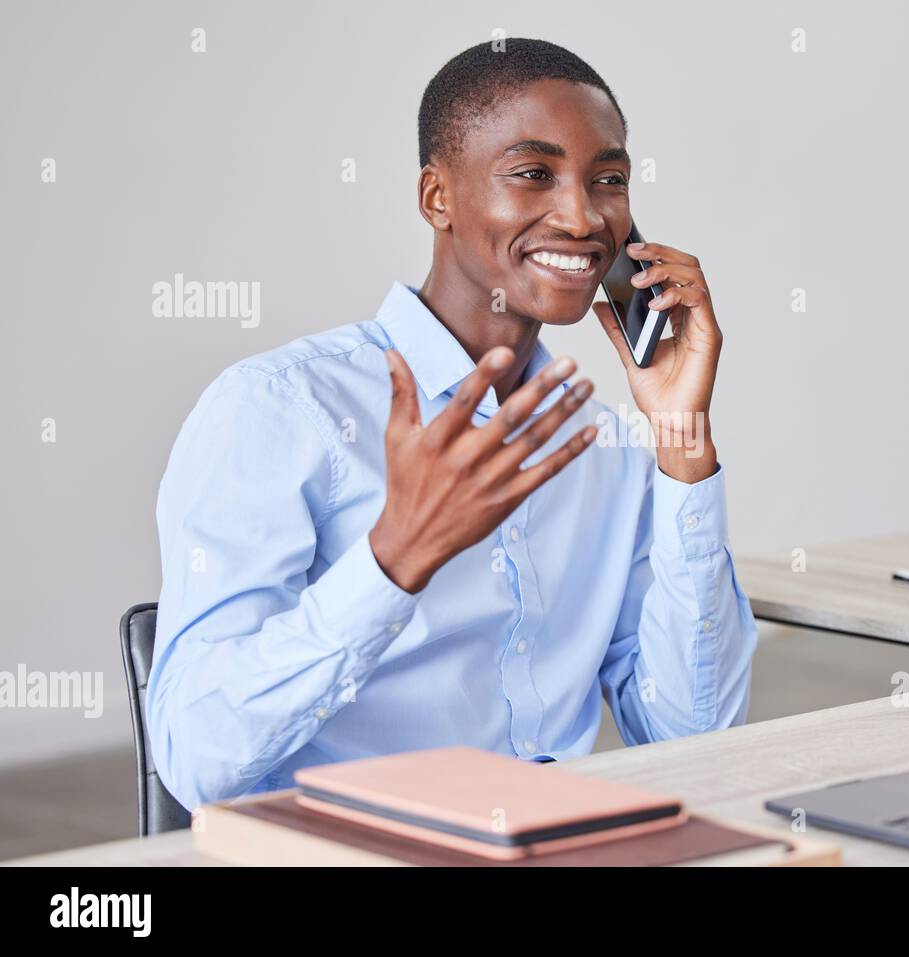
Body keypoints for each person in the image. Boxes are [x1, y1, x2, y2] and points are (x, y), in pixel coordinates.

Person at [147, 38, 758, 811]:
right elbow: (196, 757)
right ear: (438, 197)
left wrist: (682, 441)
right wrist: (395, 558)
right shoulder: (278, 409)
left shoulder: (606, 449)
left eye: (607, 180)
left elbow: (695, 737)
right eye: (534, 173)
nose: (581, 215)